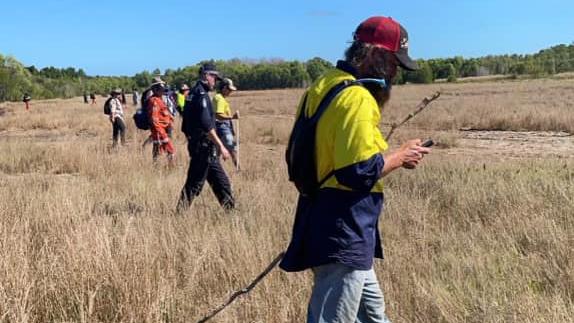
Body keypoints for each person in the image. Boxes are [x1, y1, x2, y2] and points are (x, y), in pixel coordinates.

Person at [279, 16, 431, 323]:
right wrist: (400, 156)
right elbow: (358, 171)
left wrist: (392, 156)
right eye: (394, 65)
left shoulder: (325, 84)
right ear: (379, 56)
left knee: (372, 314)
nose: (395, 74)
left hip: (323, 215)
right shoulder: (358, 97)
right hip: (344, 223)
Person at [176, 63, 235, 212]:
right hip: (203, 147)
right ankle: (180, 213)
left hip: (202, 147)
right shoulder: (200, 95)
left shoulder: (191, 94)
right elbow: (206, 125)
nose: (215, 81)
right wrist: (221, 146)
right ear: (206, 76)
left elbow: (186, 125)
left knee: (221, 182)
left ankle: (231, 213)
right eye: (214, 77)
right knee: (194, 183)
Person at [147, 78, 175, 165]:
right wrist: (160, 132)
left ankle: (156, 166)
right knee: (170, 149)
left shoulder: (160, 99)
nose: (163, 89)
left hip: (163, 129)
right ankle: (170, 168)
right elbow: (154, 118)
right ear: (155, 89)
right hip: (160, 130)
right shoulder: (154, 101)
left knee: (158, 149)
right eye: (161, 87)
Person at [213, 78, 240, 169]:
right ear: (224, 88)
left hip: (218, 127)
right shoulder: (220, 99)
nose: (230, 92)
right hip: (222, 127)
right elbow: (218, 115)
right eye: (229, 90)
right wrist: (233, 117)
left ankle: (215, 170)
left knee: (216, 152)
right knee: (232, 148)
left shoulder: (218, 97)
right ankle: (238, 169)